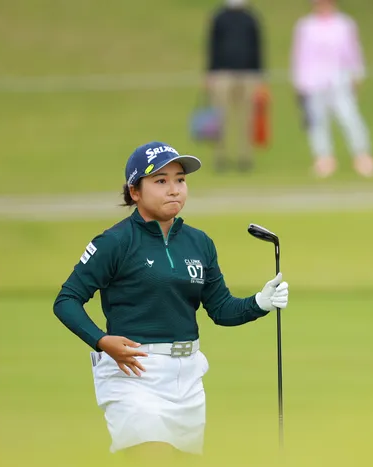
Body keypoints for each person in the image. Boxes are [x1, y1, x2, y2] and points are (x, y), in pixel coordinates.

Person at [53, 141, 289, 463]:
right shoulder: (115, 242)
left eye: (180, 179)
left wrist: (260, 302)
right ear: (135, 191)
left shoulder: (199, 243)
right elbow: (67, 300)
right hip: (133, 373)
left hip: (188, 378)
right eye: (161, 181)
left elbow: (221, 309)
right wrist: (102, 341)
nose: (174, 189)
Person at [291, 0, 373, 178]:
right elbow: (300, 55)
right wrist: (299, 82)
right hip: (313, 81)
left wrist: (356, 74)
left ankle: (362, 156)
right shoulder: (305, 26)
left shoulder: (344, 24)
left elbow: (353, 51)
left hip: (340, 78)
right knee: (318, 121)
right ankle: (324, 159)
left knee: (349, 117)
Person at [204, 0, 266, 173]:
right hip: (222, 74)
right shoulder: (219, 17)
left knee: (247, 118)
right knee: (220, 117)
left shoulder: (251, 18)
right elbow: (212, 46)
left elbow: (257, 47)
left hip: (248, 75)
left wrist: (259, 75)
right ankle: (220, 157)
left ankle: (245, 157)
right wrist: (210, 73)